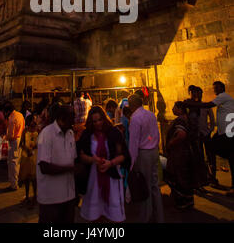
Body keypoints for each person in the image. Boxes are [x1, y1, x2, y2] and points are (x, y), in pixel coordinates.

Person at [78, 106, 130, 222]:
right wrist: (93, 160)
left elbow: (123, 155)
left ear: (104, 119)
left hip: (111, 177)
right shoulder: (87, 135)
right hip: (93, 178)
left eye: (100, 120)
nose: (98, 123)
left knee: (111, 214)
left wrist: (110, 163)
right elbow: (81, 156)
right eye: (94, 121)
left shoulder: (113, 133)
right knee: (96, 214)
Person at [184, 81, 234, 197]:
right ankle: (208, 177)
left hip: (227, 132)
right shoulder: (223, 99)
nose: (214, 90)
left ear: (221, 88)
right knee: (212, 151)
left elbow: (208, 106)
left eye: (216, 88)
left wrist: (192, 104)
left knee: (220, 153)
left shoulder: (223, 96)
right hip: (222, 132)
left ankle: (213, 177)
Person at [37, 105, 77, 224]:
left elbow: (72, 159)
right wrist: (70, 169)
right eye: (72, 118)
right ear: (62, 118)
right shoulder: (46, 134)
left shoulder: (70, 134)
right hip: (51, 197)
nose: (74, 121)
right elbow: (44, 167)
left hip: (68, 195)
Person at [128, 94, 164, 223]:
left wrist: (131, 163)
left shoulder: (135, 118)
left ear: (132, 105)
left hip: (144, 153)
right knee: (154, 185)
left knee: (145, 186)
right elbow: (156, 134)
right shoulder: (150, 114)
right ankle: (159, 216)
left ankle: (145, 217)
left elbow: (133, 143)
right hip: (153, 151)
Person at [165, 101, 195, 209]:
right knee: (185, 177)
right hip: (185, 152)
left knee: (179, 177)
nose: (172, 109)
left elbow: (181, 135)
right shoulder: (186, 119)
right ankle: (188, 200)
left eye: (174, 107)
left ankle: (183, 202)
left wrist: (170, 143)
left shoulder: (180, 120)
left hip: (179, 153)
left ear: (179, 109)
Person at [196, 87, 216, 185]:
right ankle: (204, 176)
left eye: (200, 93)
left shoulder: (206, 106)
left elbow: (212, 120)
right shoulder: (194, 106)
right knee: (199, 156)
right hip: (197, 135)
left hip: (206, 134)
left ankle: (213, 176)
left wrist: (210, 130)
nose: (199, 96)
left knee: (210, 155)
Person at [4, 102, 25, 191]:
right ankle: (17, 182)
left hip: (14, 141)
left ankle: (14, 184)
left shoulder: (12, 118)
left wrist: (5, 137)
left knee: (12, 162)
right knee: (17, 161)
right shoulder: (20, 115)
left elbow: (11, 135)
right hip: (20, 138)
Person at [19, 114, 38, 207]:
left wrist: (34, 147)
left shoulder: (39, 130)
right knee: (26, 178)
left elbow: (41, 143)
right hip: (26, 156)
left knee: (34, 179)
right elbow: (21, 143)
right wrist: (26, 149)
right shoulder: (25, 130)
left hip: (35, 156)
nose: (35, 121)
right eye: (33, 120)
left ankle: (35, 196)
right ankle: (26, 195)